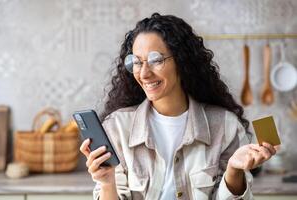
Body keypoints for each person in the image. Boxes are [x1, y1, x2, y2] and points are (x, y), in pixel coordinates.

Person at [80, 13, 278, 200]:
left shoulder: (225, 126)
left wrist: (234, 171)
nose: (144, 73)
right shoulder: (118, 128)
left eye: (156, 60)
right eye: (137, 62)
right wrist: (106, 182)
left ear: (182, 61)